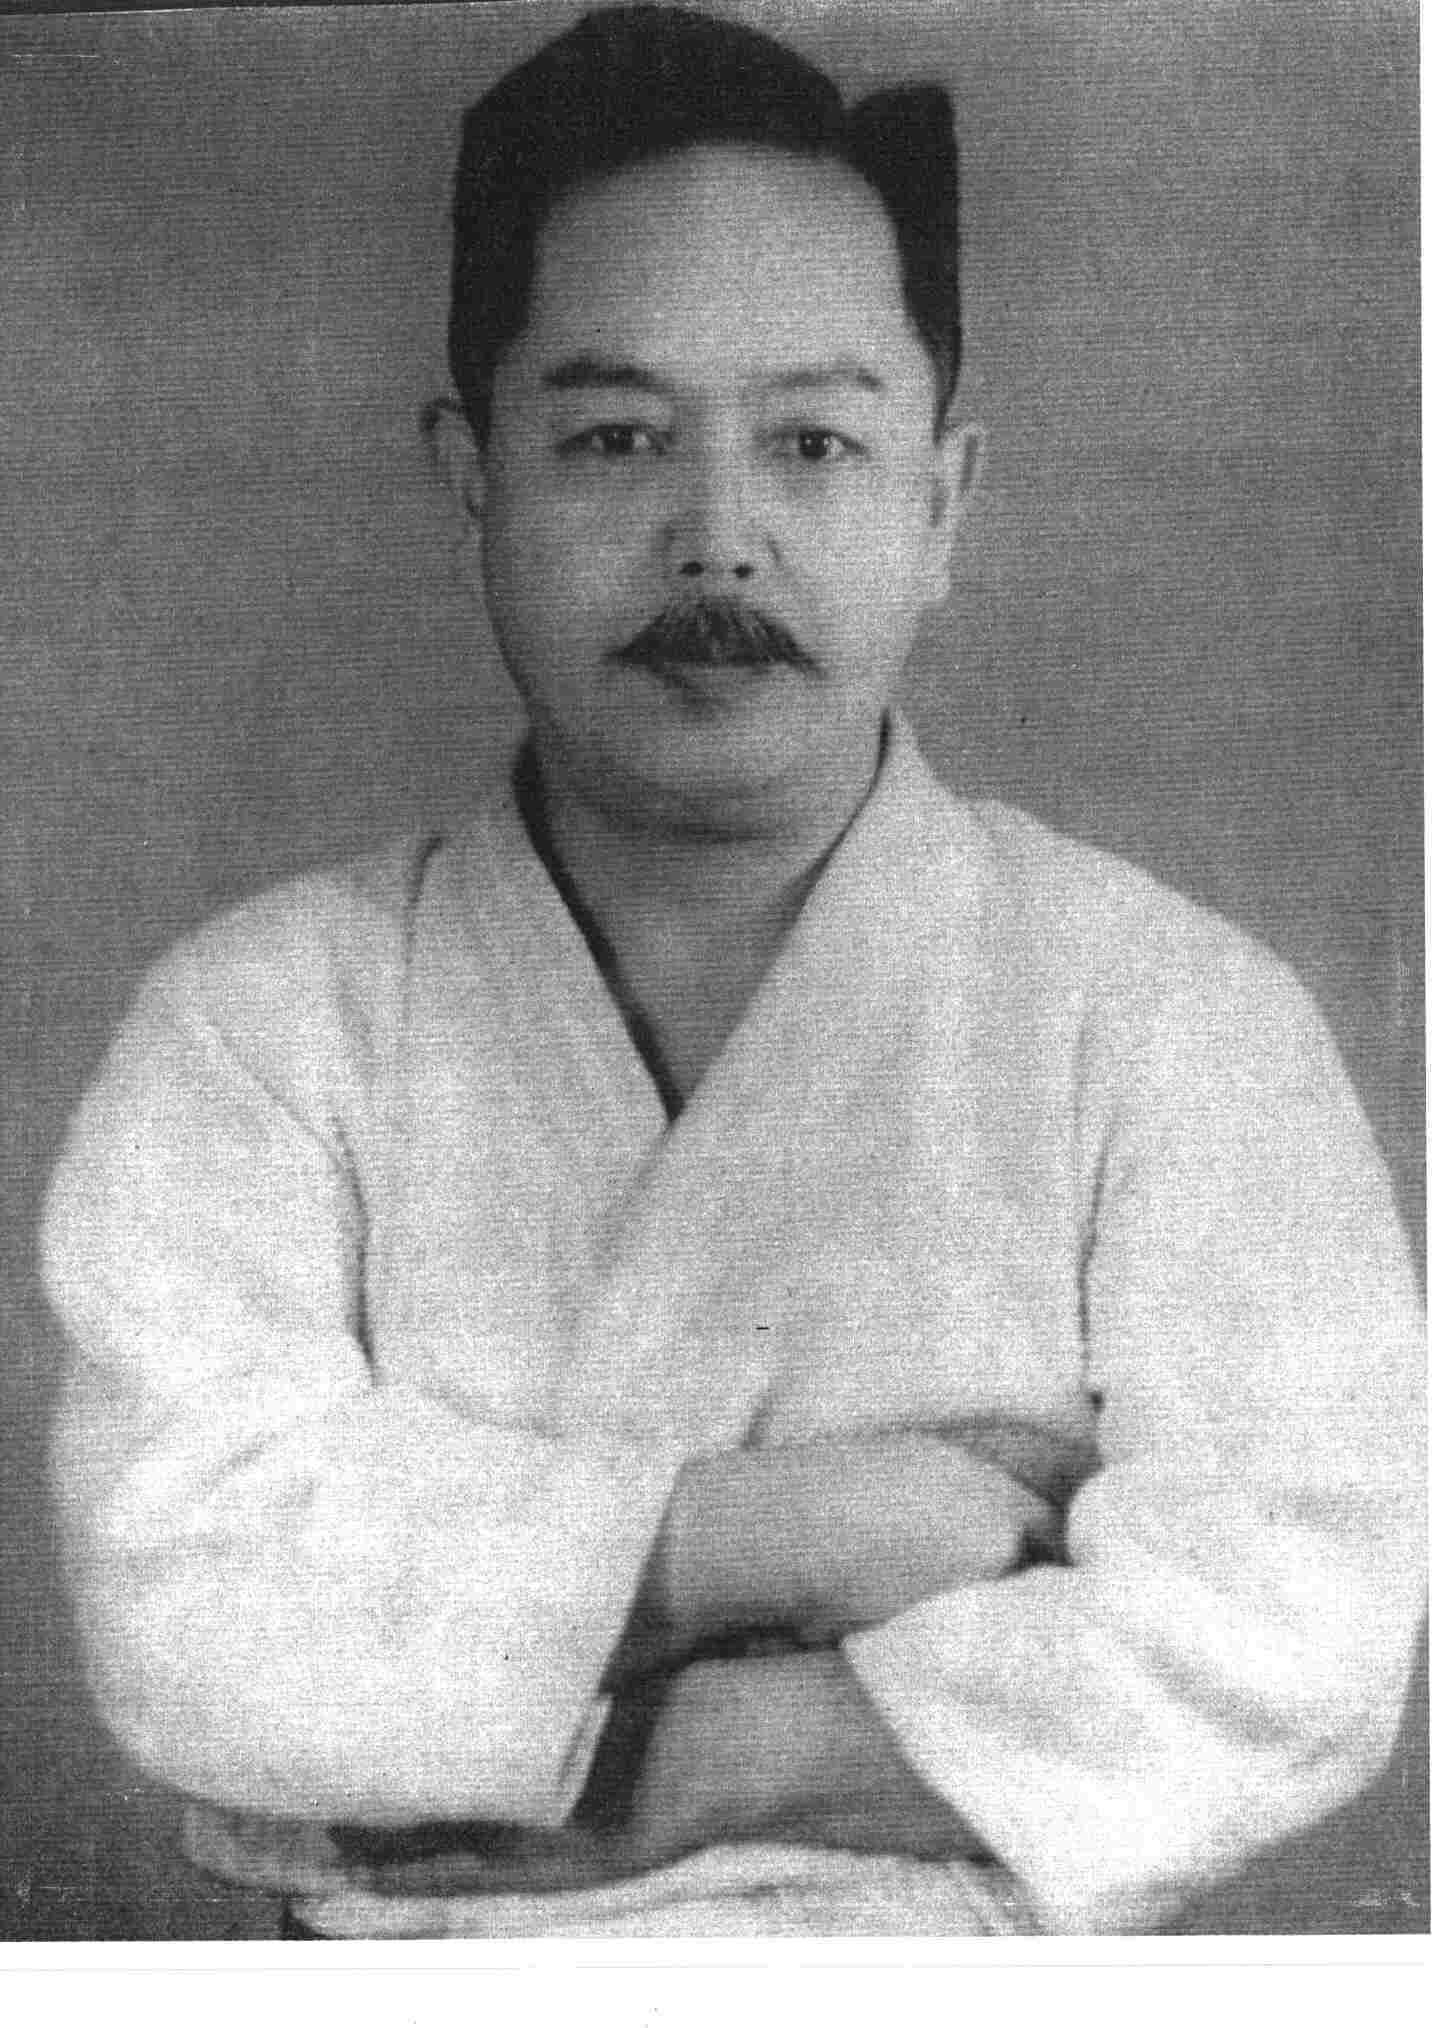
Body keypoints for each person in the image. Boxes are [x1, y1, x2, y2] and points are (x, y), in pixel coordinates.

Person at [41, 3, 1424, 1939]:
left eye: (815, 442)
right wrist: (782, 1534)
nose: (719, 539)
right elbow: (186, 1597)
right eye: (615, 437)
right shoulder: (259, 1025)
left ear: (940, 505)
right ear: (473, 479)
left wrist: (703, 1758)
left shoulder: (1181, 1021)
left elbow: (1302, 1615)